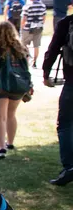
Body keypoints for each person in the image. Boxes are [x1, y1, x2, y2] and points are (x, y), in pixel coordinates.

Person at [0, 22, 31, 159]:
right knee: (11, 114)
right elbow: (26, 70)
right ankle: (10, 143)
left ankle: (1, 148)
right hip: (17, 87)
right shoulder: (20, 49)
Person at [43, 13, 73, 184]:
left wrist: (46, 73)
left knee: (65, 125)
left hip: (71, 83)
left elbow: (53, 49)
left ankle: (69, 167)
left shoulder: (66, 23)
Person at [21, 0, 47, 69]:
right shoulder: (42, 5)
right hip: (38, 27)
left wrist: (22, 26)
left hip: (28, 28)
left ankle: (27, 57)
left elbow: (24, 18)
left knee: (24, 44)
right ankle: (35, 62)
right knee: (36, 45)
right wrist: (42, 23)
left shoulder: (27, 6)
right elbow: (44, 17)